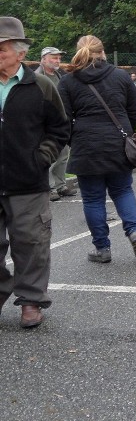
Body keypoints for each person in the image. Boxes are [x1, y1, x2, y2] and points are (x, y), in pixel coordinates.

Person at [0, 18, 70, 329]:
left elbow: (59, 129)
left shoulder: (41, 86)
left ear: (19, 52)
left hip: (28, 182)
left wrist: (41, 159)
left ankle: (31, 301)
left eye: (2, 50)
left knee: (31, 245)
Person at [58, 35, 136, 263]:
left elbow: (62, 119)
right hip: (118, 144)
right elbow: (135, 109)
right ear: (103, 52)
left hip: (86, 145)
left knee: (92, 198)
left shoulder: (68, 81)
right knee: (123, 191)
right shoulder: (120, 76)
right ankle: (134, 231)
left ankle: (102, 248)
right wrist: (128, 133)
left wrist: (74, 140)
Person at [34, 46, 78, 202]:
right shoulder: (36, 77)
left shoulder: (59, 76)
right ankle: (49, 188)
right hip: (45, 124)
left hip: (61, 122)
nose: (58, 60)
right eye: (54, 57)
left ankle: (61, 185)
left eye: (59, 58)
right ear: (44, 58)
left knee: (63, 155)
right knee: (49, 155)